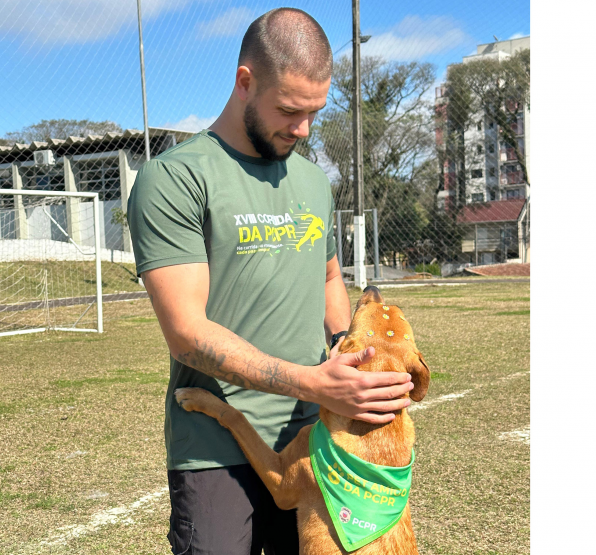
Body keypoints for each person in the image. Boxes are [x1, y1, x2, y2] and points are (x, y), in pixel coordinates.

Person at [126, 8, 414, 554]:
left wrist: (350, 359)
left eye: (313, 113)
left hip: (315, 440)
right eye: (288, 110)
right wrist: (313, 383)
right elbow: (186, 332)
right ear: (245, 81)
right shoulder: (175, 178)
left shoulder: (312, 180)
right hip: (215, 448)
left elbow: (328, 276)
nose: (302, 129)